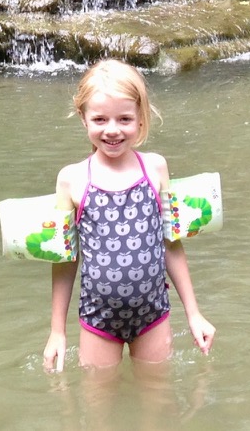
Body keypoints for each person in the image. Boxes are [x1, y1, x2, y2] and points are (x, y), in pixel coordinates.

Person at [42, 59, 215, 372]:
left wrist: (194, 313)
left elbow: (171, 245)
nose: (112, 130)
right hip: (98, 320)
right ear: (83, 118)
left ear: (141, 118)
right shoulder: (72, 179)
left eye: (124, 119)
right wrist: (57, 331)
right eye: (100, 119)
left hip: (153, 316)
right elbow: (65, 260)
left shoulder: (155, 168)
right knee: (99, 409)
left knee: (156, 405)